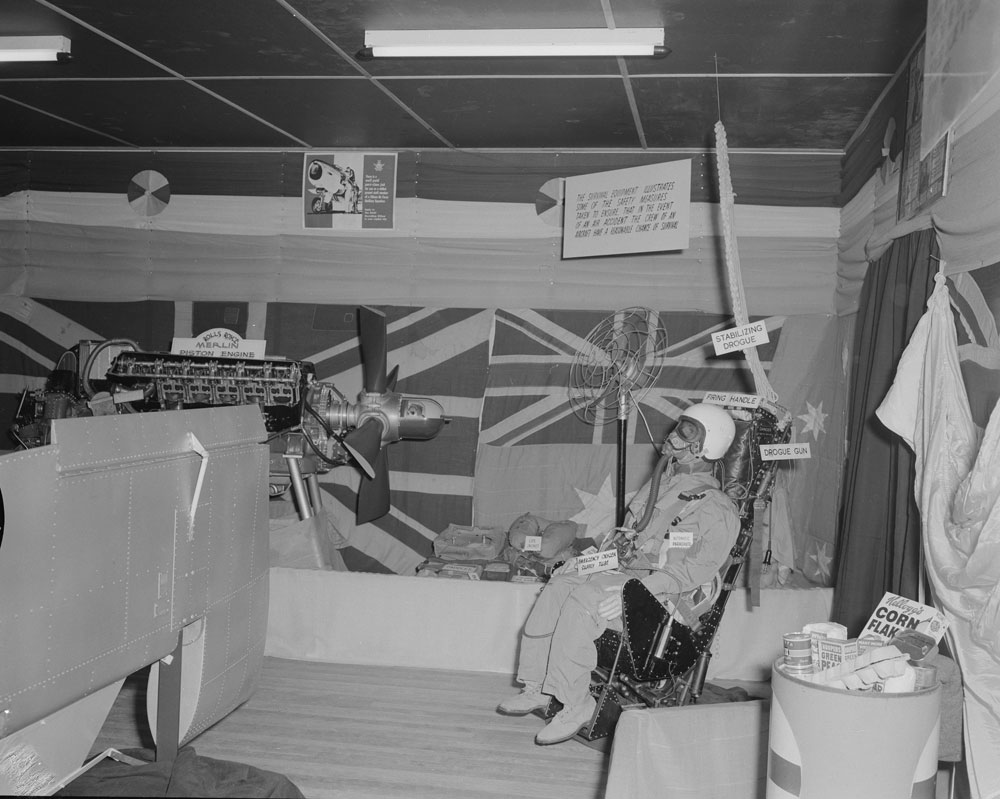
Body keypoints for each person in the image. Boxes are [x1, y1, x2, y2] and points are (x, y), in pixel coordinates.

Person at [496, 402, 740, 745]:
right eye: (678, 426)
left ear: (707, 446)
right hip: (623, 569)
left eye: (686, 432)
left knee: (585, 600)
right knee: (562, 581)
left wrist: (639, 593)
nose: (673, 436)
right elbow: (629, 536)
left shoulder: (717, 507)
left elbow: (694, 573)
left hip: (662, 598)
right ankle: (538, 687)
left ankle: (575, 703)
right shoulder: (665, 484)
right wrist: (589, 561)